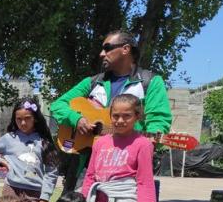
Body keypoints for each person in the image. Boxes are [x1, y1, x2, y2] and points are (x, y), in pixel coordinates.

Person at [51, 30, 173, 190]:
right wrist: (77, 119)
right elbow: (57, 105)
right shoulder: (92, 82)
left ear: (126, 49)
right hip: (84, 166)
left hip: (125, 168)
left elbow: (158, 120)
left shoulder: (150, 82)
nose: (102, 54)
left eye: (107, 48)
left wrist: (149, 142)